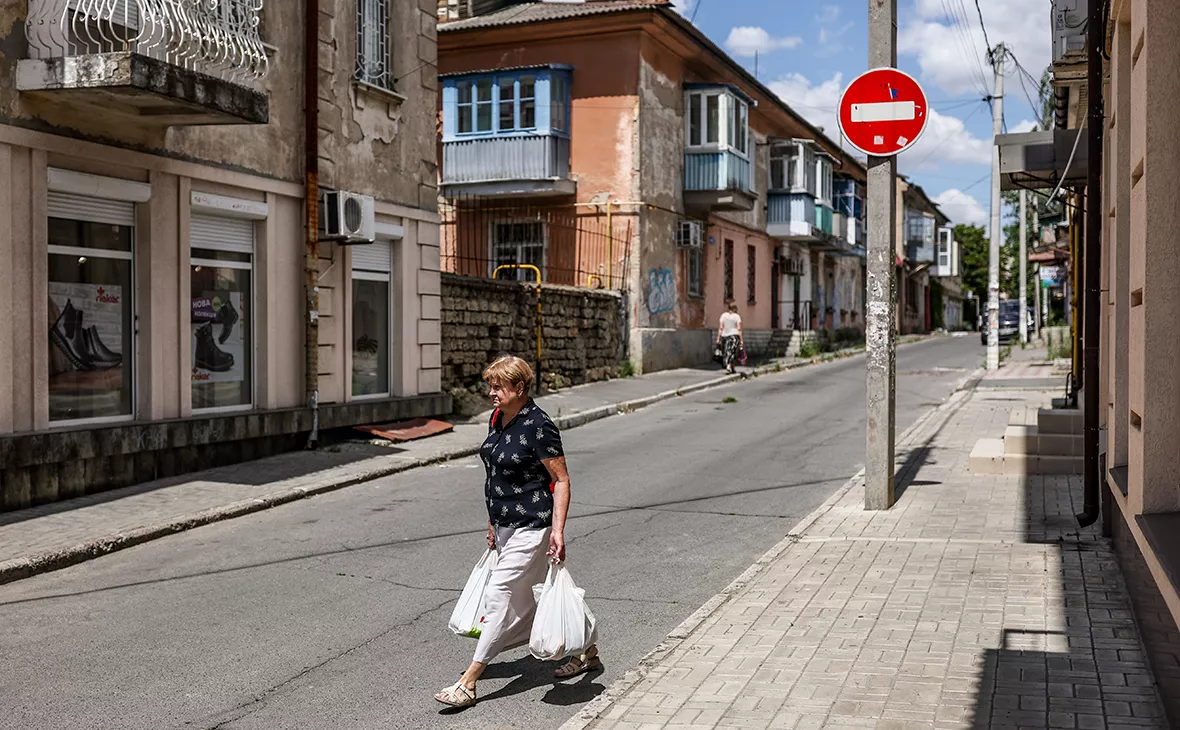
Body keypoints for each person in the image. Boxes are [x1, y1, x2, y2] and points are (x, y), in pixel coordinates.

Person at [434, 355, 601, 708]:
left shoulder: (539, 426)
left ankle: (469, 681)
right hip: (505, 525)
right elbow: (495, 474)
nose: (491, 393)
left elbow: (561, 480)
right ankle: (586, 648)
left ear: (520, 387)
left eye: (498, 387)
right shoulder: (498, 418)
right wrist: (491, 522)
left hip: (533, 525)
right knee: (535, 595)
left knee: (500, 594)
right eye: (490, 386)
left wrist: (557, 531)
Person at [716, 303, 743, 374]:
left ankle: (732, 367)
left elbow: (721, 328)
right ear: (735, 308)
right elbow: (739, 329)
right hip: (734, 336)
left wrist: (718, 338)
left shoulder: (723, 315)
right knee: (732, 352)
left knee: (726, 351)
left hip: (724, 336)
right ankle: (729, 365)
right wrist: (741, 340)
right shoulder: (737, 316)